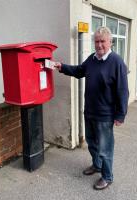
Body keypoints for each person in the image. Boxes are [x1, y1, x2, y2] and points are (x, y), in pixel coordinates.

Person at [54, 26, 129, 190]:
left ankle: (107, 176)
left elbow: (123, 90)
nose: (99, 45)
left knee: (105, 148)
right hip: (90, 112)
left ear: (110, 42)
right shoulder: (92, 59)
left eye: (103, 41)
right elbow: (79, 70)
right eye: (97, 41)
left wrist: (120, 115)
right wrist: (62, 67)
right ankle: (97, 165)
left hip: (105, 115)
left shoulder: (116, 62)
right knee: (92, 143)